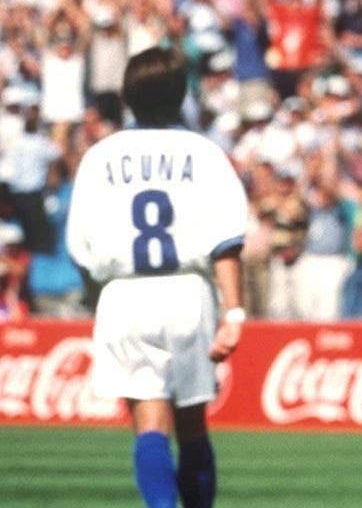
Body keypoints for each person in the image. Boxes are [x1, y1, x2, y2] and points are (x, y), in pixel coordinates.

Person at [65, 47, 248, 508]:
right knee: (191, 426)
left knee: (149, 424)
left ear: (128, 96)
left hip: (124, 294)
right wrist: (236, 313)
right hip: (187, 292)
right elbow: (226, 242)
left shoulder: (99, 156)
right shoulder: (204, 153)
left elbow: (82, 254)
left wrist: (97, 302)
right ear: (181, 95)